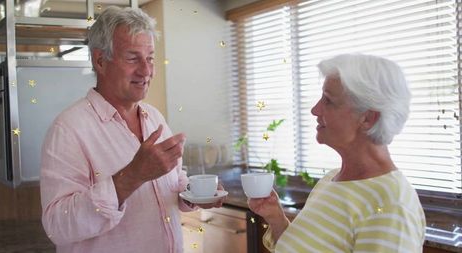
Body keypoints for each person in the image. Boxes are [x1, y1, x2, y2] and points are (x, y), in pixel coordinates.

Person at [40, 6, 223, 253]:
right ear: (101, 61)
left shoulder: (154, 118)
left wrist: (195, 193)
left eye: (149, 58)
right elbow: (57, 226)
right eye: (132, 58)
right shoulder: (68, 129)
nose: (146, 71)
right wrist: (132, 176)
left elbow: (173, 184)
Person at [248, 54, 426, 252]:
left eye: (329, 100)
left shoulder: (392, 206)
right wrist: (276, 219)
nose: (315, 110)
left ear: (367, 118)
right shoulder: (331, 179)